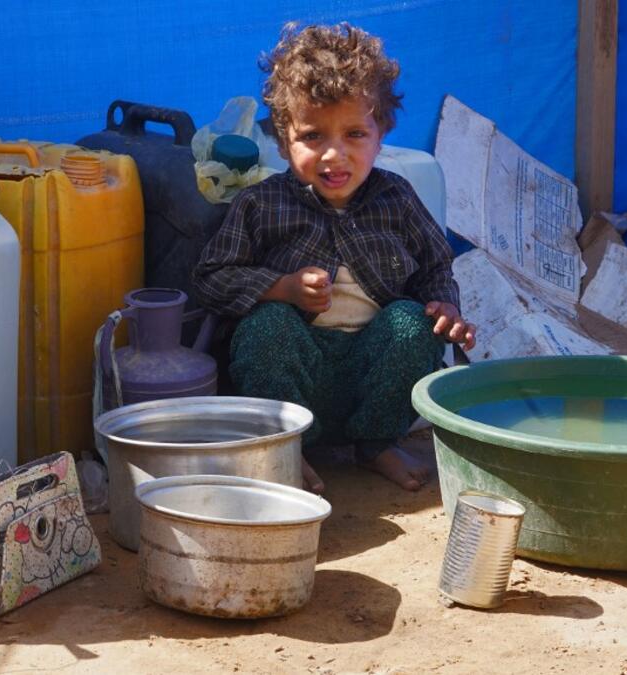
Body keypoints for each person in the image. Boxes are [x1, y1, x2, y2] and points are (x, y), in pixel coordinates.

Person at [192, 21, 475, 493]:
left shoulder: (397, 198)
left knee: (411, 321)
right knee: (265, 328)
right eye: (312, 136)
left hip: (375, 371)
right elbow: (210, 277)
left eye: (354, 134)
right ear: (283, 141)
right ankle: (287, 450)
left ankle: (377, 444)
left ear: (381, 133)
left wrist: (445, 308)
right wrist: (280, 288)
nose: (334, 155)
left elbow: (435, 266)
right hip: (298, 372)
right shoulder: (261, 204)